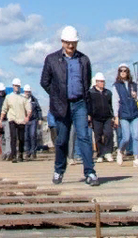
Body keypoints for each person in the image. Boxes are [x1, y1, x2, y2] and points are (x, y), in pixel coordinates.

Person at [40, 25, 98, 186]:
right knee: (62, 140)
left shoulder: (84, 60)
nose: (71, 46)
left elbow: (86, 83)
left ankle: (90, 172)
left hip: (79, 104)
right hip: (61, 105)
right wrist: (57, 95)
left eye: (73, 43)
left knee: (84, 137)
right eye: (68, 43)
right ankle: (59, 170)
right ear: (62, 42)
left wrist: (88, 107)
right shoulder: (51, 59)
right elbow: (44, 82)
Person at [112, 63, 138, 167]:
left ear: (128, 72)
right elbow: (115, 102)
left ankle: (136, 158)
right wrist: (116, 117)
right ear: (119, 72)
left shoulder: (134, 85)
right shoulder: (116, 86)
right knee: (126, 137)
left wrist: (136, 97)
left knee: (136, 136)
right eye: (121, 70)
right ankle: (120, 151)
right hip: (124, 114)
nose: (123, 72)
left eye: (125, 70)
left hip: (135, 113)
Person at [0, 78, 31, 162]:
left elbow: (29, 109)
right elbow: (4, 109)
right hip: (12, 119)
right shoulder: (9, 97)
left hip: (21, 120)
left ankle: (20, 153)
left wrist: (27, 117)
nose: (16, 87)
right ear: (13, 86)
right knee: (13, 137)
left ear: (20, 87)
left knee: (21, 138)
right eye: (15, 86)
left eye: (18, 86)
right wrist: (0, 120)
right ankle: (13, 155)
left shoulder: (24, 98)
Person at [87, 72, 114, 163]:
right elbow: (88, 105)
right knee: (98, 136)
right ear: (96, 82)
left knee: (109, 134)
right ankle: (100, 153)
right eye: (100, 81)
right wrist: (89, 115)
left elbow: (111, 105)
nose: (102, 83)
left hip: (107, 117)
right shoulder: (90, 93)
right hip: (96, 117)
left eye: (103, 81)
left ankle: (108, 152)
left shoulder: (108, 92)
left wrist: (113, 115)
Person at [23, 85, 42, 157]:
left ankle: (33, 151)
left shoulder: (34, 100)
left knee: (33, 135)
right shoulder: (22, 99)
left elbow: (39, 110)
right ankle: (27, 151)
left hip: (33, 120)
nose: (27, 93)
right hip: (25, 120)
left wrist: (40, 119)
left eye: (28, 91)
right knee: (26, 136)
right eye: (26, 91)